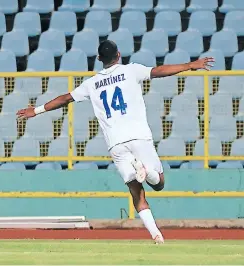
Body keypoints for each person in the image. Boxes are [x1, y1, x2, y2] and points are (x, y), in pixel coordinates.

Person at [17, 40, 214, 244]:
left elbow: (65, 98)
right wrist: (189, 65)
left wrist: (37, 110)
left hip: (116, 143)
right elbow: (160, 71)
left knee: (136, 193)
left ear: (99, 58)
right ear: (118, 55)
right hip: (139, 136)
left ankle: (157, 235)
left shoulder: (91, 83)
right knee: (159, 184)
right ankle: (148, 172)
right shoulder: (132, 71)